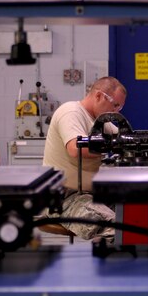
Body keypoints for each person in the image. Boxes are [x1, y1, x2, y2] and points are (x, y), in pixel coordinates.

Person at [40, 76, 128, 239]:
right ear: (99, 96)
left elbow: (125, 140)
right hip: (64, 197)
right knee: (115, 229)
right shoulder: (71, 112)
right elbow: (76, 148)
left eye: (120, 107)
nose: (116, 111)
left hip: (91, 193)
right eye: (115, 105)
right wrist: (113, 146)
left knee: (137, 214)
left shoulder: (99, 122)